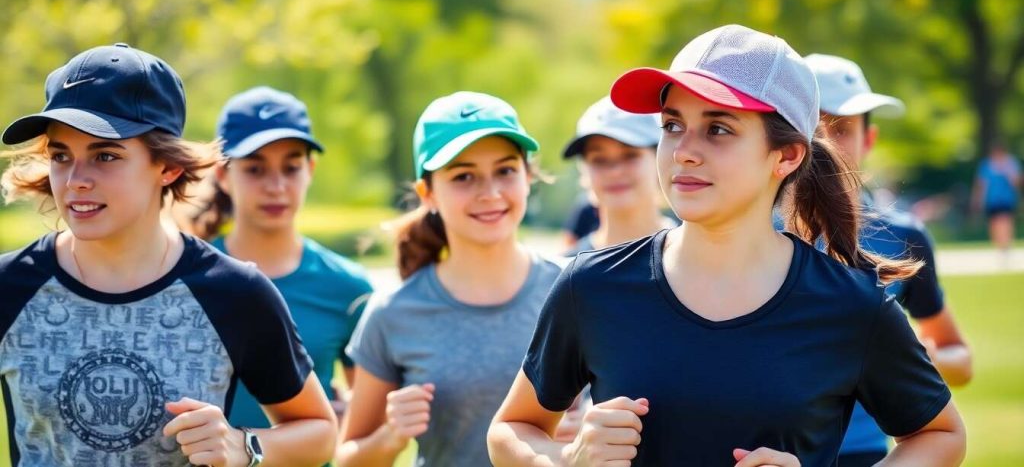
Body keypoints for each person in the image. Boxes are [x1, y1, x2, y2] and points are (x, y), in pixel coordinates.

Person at [488, 25, 966, 466]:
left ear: (787, 155)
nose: (684, 150)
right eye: (672, 125)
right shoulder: (591, 286)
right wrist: (567, 459)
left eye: (718, 129)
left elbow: (941, 435)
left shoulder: (850, 303)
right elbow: (512, 428)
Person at [0, 44, 336, 466]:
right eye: (61, 155)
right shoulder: (10, 285)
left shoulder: (235, 293)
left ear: (168, 167)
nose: (75, 180)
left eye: (105, 155)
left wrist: (243, 445)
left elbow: (320, 432)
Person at [336, 92, 563, 466]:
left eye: (505, 170)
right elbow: (348, 459)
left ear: (528, 177)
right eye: (464, 176)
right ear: (428, 194)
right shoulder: (393, 313)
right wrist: (391, 435)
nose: (490, 193)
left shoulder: (574, 292)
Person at [806, 53, 973, 466]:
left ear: (869, 140)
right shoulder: (750, 228)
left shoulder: (904, 236)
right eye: (813, 127)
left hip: (864, 452)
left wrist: (909, 354)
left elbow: (960, 360)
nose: (826, 141)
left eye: (842, 128)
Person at [188, 87, 374, 438]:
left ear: (311, 170)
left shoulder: (349, 289)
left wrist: (342, 419)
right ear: (224, 174)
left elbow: (362, 430)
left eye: (291, 168)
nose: (276, 186)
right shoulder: (187, 276)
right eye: (255, 169)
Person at [562, 96, 673, 255]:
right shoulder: (566, 272)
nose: (614, 171)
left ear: (659, 159)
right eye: (599, 160)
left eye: (630, 155)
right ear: (584, 172)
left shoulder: (699, 258)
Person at [971, 141, 1021, 266]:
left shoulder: (1010, 164)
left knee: (1006, 222)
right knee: (994, 224)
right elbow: (981, 185)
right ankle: (1000, 247)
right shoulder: (987, 165)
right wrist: (977, 200)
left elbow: (1017, 182)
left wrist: (1008, 172)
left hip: (1007, 199)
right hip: (992, 200)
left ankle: (1006, 247)